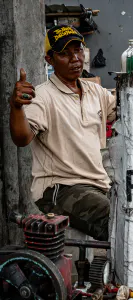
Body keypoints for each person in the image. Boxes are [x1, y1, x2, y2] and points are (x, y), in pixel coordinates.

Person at [9, 25, 116, 241]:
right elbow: (21, 138)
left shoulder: (95, 91)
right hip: (60, 188)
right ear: (49, 60)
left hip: (98, 184)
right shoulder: (42, 96)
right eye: (64, 54)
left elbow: (125, 112)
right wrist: (17, 107)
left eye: (77, 50)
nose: (74, 58)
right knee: (115, 221)